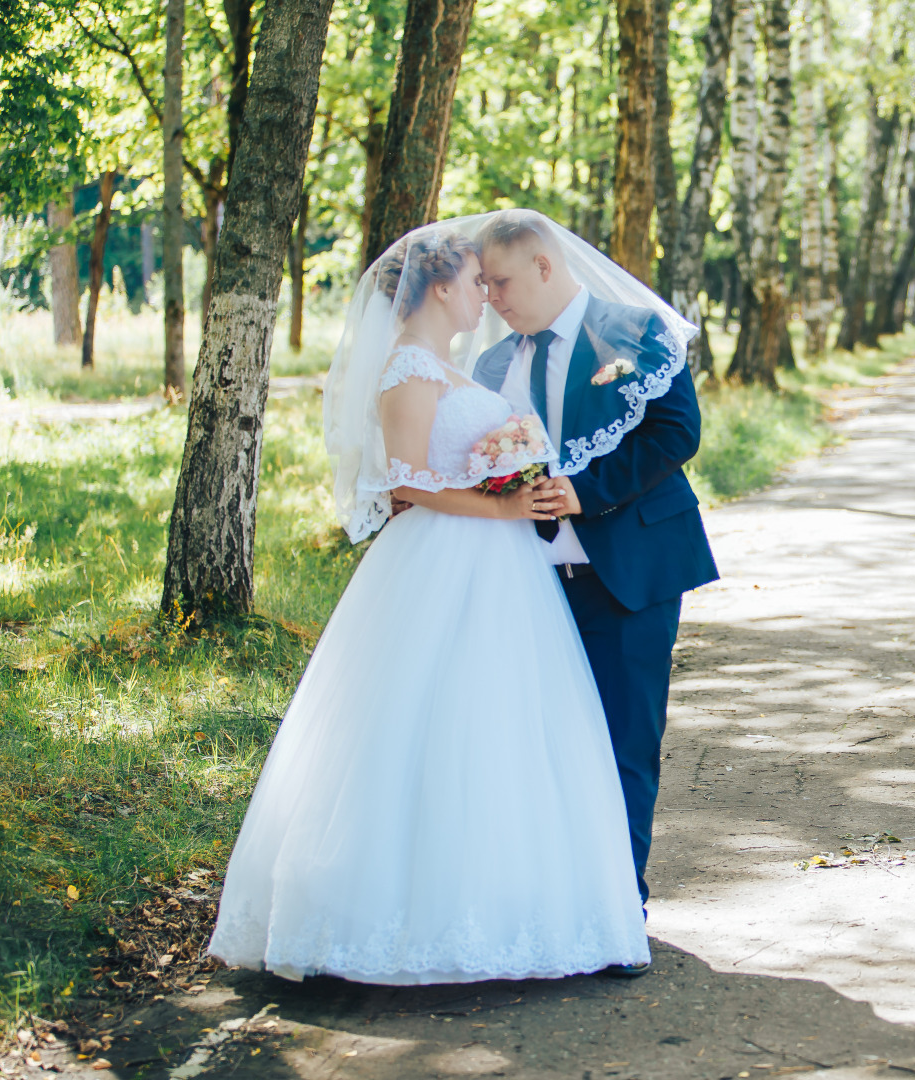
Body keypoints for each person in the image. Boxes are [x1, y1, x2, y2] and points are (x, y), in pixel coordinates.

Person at [207, 225, 652, 984]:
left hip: (503, 569)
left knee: (505, 728)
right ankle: (405, 914)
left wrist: (512, 474)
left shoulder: (452, 367)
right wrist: (505, 507)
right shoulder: (408, 370)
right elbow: (407, 484)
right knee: (428, 725)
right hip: (448, 562)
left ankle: (519, 902)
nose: (487, 294)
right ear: (441, 288)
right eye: (478, 282)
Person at [472, 210, 719, 976]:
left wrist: (587, 490)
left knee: (622, 744)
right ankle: (557, 902)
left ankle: (619, 910)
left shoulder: (636, 331)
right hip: (526, 583)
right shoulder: (488, 368)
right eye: (482, 286)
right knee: (542, 746)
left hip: (628, 573)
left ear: (544, 266)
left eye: (502, 282)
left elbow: (677, 432)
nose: (493, 299)